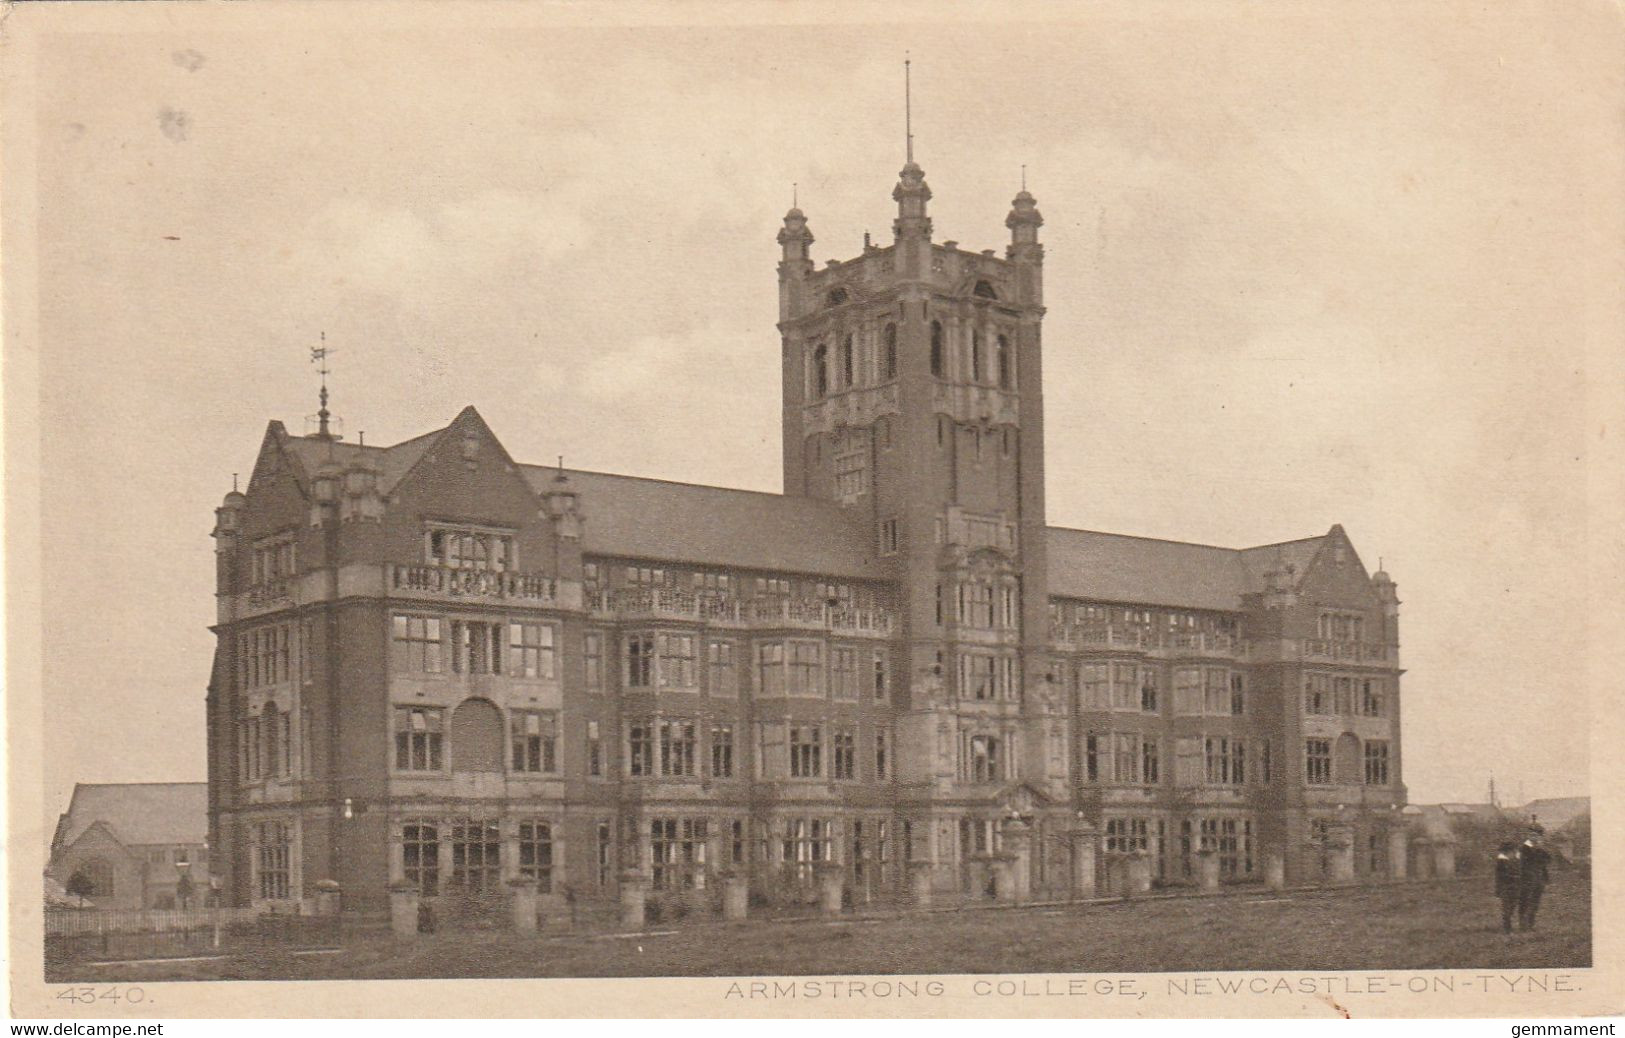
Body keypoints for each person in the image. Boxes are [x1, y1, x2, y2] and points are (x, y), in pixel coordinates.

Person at [1516, 829, 1552, 932]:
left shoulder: (1539, 848)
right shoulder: (1523, 848)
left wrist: (1545, 879)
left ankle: (1531, 925)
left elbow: (1548, 860)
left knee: (1535, 903)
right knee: (1525, 902)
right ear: (1528, 836)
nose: (1534, 837)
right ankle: (1523, 926)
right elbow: (1523, 862)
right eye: (1532, 835)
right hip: (1526, 880)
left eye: (1536, 836)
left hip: (1538, 879)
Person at [1493, 840, 1521, 934]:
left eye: (1513, 851)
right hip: (1506, 887)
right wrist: (1498, 889)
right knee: (1506, 908)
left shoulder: (1516, 860)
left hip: (1515, 887)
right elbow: (1500, 876)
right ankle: (1507, 928)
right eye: (1511, 851)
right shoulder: (1501, 861)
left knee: (1512, 906)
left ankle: (1507, 925)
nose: (1513, 852)